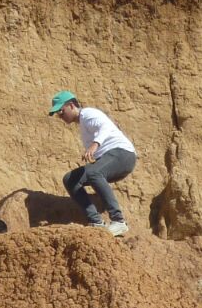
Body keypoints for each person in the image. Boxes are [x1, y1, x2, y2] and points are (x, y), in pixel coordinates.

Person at [48, 90, 136, 236]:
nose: (60, 116)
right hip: (112, 157)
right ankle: (96, 222)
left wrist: (95, 144)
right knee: (70, 179)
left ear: (71, 105)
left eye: (61, 111)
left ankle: (118, 221)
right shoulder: (83, 124)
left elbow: (106, 126)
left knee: (94, 172)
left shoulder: (88, 113)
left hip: (123, 154)